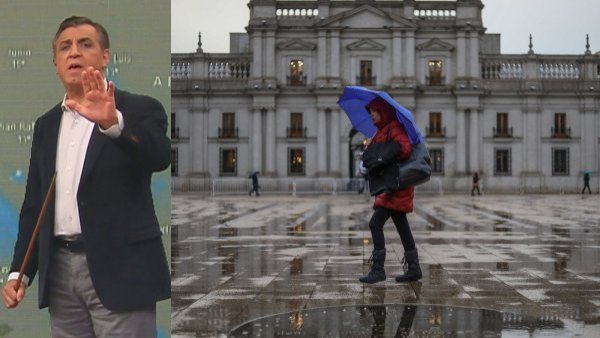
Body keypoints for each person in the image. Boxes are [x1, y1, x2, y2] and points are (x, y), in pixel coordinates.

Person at [1, 16, 170, 337]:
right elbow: (35, 203)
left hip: (121, 270)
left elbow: (159, 156)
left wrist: (113, 124)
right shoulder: (46, 125)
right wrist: (19, 275)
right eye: (65, 47)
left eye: (85, 44)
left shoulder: (138, 108)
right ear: (56, 64)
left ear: (105, 56)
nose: (74, 52)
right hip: (61, 273)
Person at [359, 97, 422, 284]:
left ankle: (378, 270)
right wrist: (370, 148)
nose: (371, 115)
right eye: (370, 111)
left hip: (395, 186)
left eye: (374, 111)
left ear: (383, 111)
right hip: (391, 186)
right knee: (402, 226)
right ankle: (414, 268)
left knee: (375, 224)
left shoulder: (394, 127)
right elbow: (373, 157)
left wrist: (382, 153)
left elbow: (404, 148)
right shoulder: (381, 132)